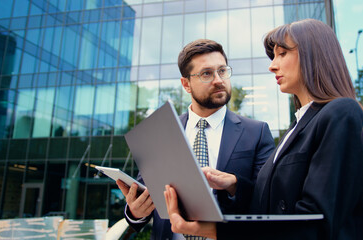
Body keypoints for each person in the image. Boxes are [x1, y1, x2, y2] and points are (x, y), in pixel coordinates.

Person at [163, 19, 363, 239]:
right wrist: (234, 184)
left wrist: (215, 229)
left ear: (314, 55)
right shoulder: (298, 126)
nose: (272, 65)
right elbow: (272, 203)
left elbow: (315, 223)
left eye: (282, 54)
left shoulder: (341, 113)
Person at [116, 39, 275, 240]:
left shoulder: (257, 132)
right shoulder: (162, 134)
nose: (218, 80)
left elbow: (268, 199)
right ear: (186, 84)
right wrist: (136, 213)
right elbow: (145, 197)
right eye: (206, 73)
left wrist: (233, 184)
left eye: (223, 71)